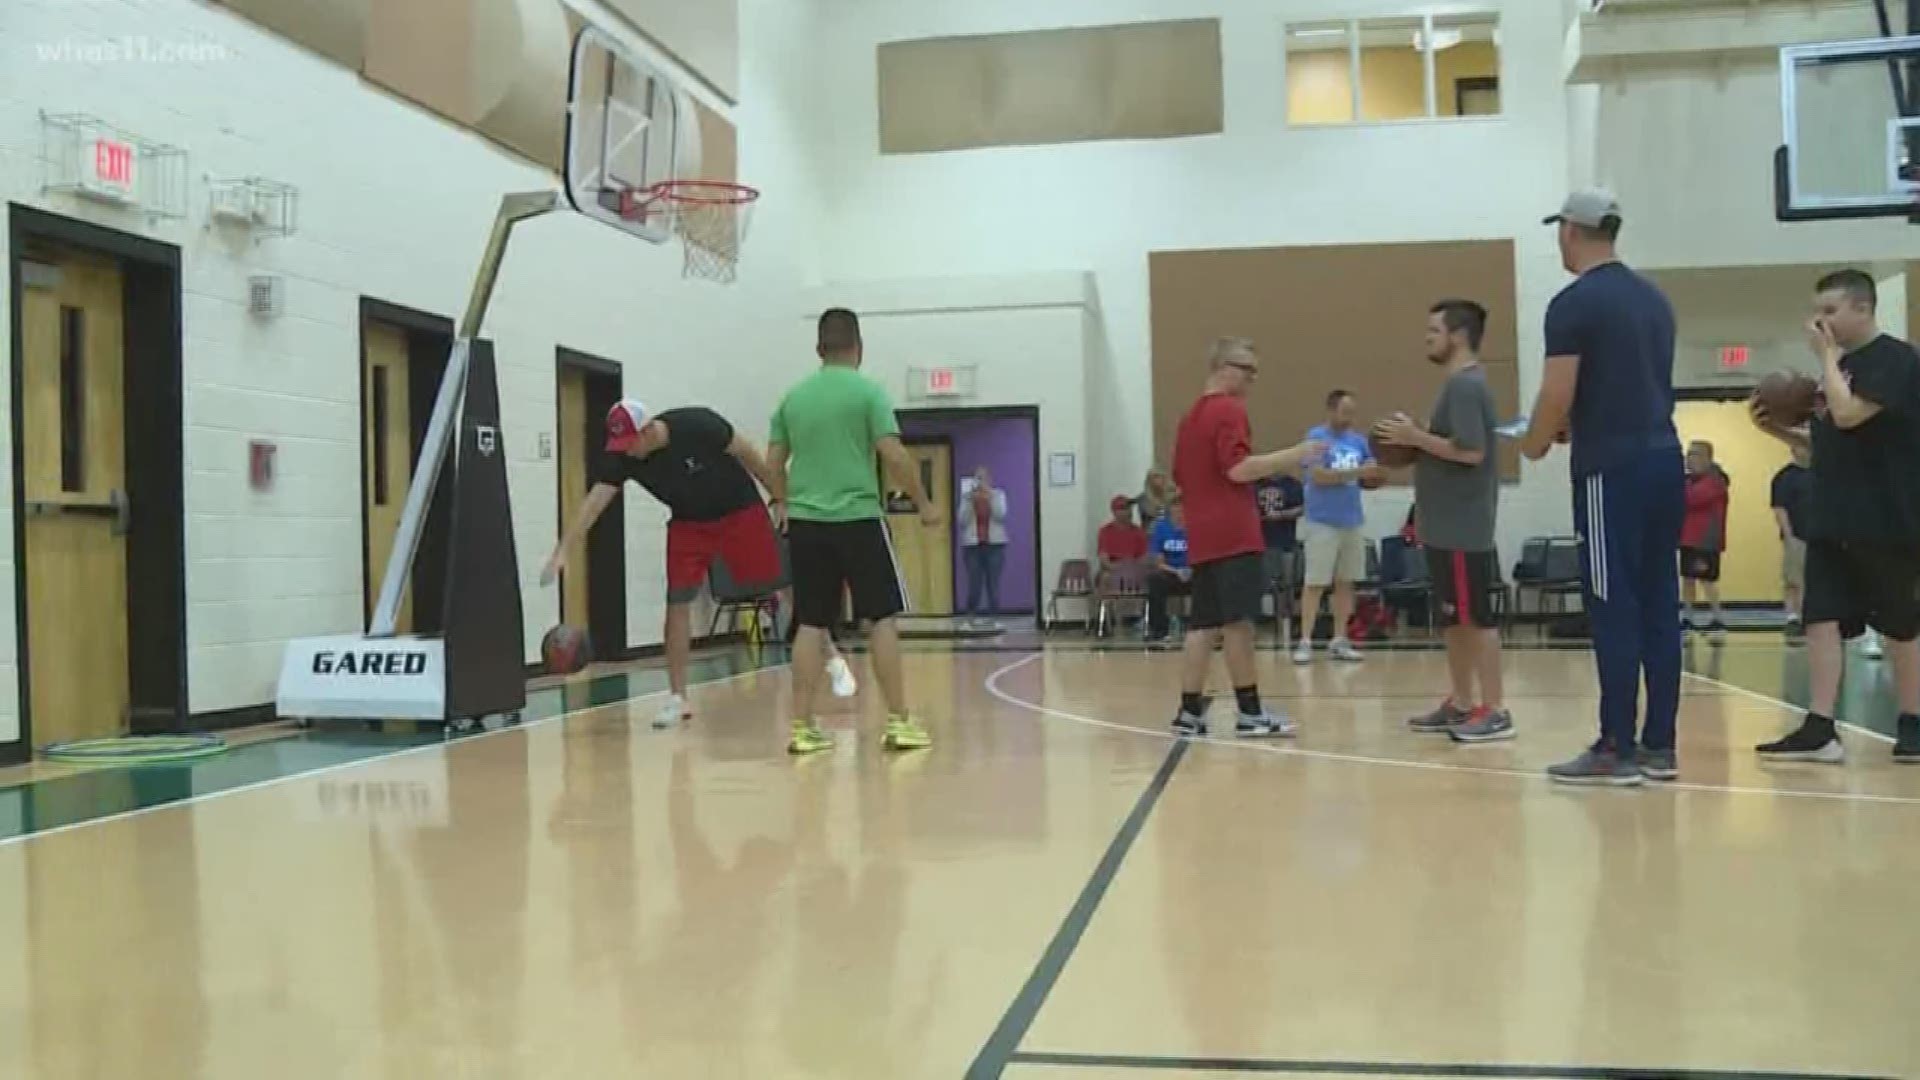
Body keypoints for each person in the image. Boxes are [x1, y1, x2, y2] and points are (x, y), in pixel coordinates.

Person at [542, 400, 858, 729]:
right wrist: (563, 550)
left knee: (782, 583)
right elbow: (594, 503)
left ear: (648, 429)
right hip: (689, 523)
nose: (627, 451)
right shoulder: (623, 457)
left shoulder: (698, 424)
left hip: (740, 511)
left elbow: (749, 455)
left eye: (631, 442)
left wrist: (780, 499)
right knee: (676, 602)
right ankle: (678, 698)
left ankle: (833, 657)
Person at [1520, 189, 1683, 787]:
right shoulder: (1654, 300)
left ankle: (1617, 746)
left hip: (1610, 469)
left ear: (1570, 230)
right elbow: (1625, 387)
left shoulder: (1574, 303)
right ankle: (1660, 745)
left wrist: (1534, 442)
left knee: (1613, 604)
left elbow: (1557, 391)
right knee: (1661, 603)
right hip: (1665, 462)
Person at [1748, 269, 1920, 764]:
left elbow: (1849, 416)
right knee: (1819, 619)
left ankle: (1911, 720)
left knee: (1900, 625)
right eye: (1817, 311)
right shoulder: (1838, 367)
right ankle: (1820, 726)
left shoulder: (1895, 360)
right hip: (1832, 516)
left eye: (1830, 310)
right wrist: (1781, 435)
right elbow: (1828, 446)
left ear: (1862, 310)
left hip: (1886, 517)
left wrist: (1825, 359)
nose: (1819, 321)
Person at [768, 308, 938, 755]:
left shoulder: (793, 398)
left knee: (810, 621)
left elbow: (771, 465)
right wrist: (923, 502)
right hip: (859, 519)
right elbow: (893, 454)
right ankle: (900, 722)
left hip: (806, 524)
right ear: (858, 347)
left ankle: (802, 728)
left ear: (819, 349)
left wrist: (784, 502)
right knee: (881, 617)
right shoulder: (869, 393)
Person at [1168, 337, 1322, 737]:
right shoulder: (1228, 410)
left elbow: (1182, 477)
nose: (1253, 377)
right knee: (1239, 624)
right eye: (1246, 368)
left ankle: (1189, 711)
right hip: (1233, 533)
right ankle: (1250, 712)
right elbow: (1238, 469)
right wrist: (1296, 454)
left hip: (1203, 535)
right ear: (1222, 366)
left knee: (1203, 624)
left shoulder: (1189, 418)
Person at [1376, 299, 1511, 743]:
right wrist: (1418, 441)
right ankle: (1461, 701)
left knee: (1477, 620)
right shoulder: (1456, 386)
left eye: (1434, 331)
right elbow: (1450, 447)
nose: (1427, 338)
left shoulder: (1466, 387)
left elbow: (1472, 452)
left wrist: (1416, 437)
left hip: (1463, 525)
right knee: (1454, 619)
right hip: (1443, 524)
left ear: (1458, 335)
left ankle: (1495, 709)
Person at [1294, 389, 1379, 665]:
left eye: (1352, 412)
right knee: (1316, 582)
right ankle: (1305, 640)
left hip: (1351, 520)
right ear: (1331, 411)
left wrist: (1376, 473)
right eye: (1344, 412)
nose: (1349, 417)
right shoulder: (1316, 439)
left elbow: (1372, 471)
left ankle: (1339, 639)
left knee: (1346, 582)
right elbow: (1318, 476)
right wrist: (1355, 473)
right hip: (1321, 521)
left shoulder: (1359, 441)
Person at [1679, 441, 1731, 641]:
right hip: (1688, 538)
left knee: (1707, 580)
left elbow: (1691, 499)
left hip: (1705, 539)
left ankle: (1718, 618)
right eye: (1689, 454)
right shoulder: (1690, 480)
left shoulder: (1715, 481)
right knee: (1688, 579)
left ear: (1708, 458)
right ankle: (1688, 617)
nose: (1690, 459)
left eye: (1695, 454)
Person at [957, 465, 1009, 630]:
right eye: (977, 478)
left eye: (983, 478)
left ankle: (994, 618)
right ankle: (970, 619)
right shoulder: (966, 497)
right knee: (974, 583)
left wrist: (990, 497)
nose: (980, 482)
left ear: (989, 480)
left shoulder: (998, 494)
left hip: (994, 545)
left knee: (993, 583)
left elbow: (1001, 515)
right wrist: (968, 501)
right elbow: (962, 521)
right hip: (973, 546)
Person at [1770, 444, 1812, 638]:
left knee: (1811, 580)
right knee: (1794, 579)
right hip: (1796, 536)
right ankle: (1792, 617)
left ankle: (1808, 617)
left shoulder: (1820, 473)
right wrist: (1789, 536)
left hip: (1819, 536)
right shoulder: (1785, 477)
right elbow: (1779, 508)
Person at [1255, 469, 1305, 619]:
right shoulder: (1255, 484)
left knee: (1288, 582)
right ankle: (1263, 617)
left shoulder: (1292, 484)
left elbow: (1303, 508)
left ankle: (1287, 617)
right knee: (1264, 583)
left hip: (1286, 542)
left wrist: (1283, 515)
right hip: (1260, 543)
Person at [1145, 500, 1191, 642]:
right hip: (1170, 572)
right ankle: (1159, 630)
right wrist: (1177, 572)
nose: (1179, 510)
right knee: (1155, 580)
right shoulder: (1161, 528)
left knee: (1210, 579)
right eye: (1176, 506)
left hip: (1193, 571)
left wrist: (1190, 570)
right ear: (1170, 508)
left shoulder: (1194, 525)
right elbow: (1159, 562)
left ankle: (1205, 628)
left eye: (1182, 506)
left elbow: (1202, 555)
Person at [1096, 495, 1147, 573]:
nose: (1129, 511)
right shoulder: (1105, 531)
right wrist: (1118, 570)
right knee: (1107, 578)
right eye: (1123, 508)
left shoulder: (1138, 532)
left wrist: (1131, 569)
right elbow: (1104, 559)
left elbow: (1143, 558)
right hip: (1111, 570)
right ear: (1114, 512)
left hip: (1133, 569)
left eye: (1129, 508)